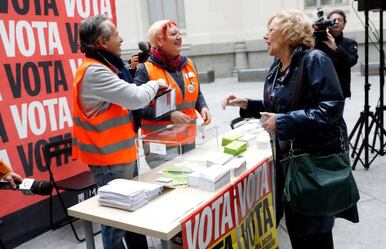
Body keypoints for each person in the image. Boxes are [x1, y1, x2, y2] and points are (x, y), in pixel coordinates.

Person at [222, 9, 358, 249]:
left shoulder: (315, 59)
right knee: (298, 230)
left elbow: (332, 107)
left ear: (288, 33)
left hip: (311, 166)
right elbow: (278, 106)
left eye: (271, 30)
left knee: (315, 233)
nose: (265, 36)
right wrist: (247, 104)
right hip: (288, 165)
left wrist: (283, 122)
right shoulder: (277, 67)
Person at [72, 15, 168, 249]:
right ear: (102, 42)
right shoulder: (96, 72)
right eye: (116, 35)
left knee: (127, 215)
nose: (122, 39)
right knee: (114, 222)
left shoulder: (107, 66)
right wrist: (155, 83)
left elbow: (126, 98)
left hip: (119, 155)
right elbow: (135, 98)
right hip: (108, 160)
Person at [134, 20, 211, 165]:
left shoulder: (189, 64)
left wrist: (203, 107)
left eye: (179, 33)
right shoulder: (145, 70)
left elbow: (197, 93)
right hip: (160, 146)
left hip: (188, 140)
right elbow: (137, 107)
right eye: (173, 34)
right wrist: (170, 116)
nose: (179, 37)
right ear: (159, 40)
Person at [315, 9, 358, 98]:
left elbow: (351, 61)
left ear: (344, 24)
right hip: (319, 88)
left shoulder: (350, 43)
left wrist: (336, 48)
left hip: (339, 90)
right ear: (327, 23)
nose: (337, 22)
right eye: (333, 20)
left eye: (340, 20)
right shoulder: (317, 42)